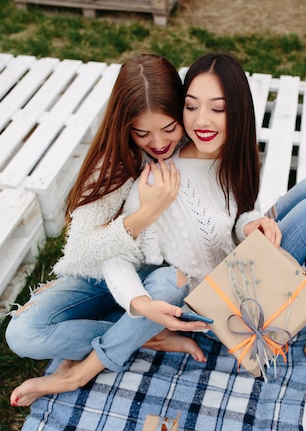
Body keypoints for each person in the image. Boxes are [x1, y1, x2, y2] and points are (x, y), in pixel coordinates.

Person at [9, 52, 306, 405]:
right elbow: (104, 255)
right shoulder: (151, 181)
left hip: (235, 269)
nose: (160, 142)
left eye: (170, 127)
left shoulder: (216, 151)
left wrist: (250, 224)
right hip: (216, 298)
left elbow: (231, 214)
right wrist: (144, 233)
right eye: (193, 107)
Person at [7, 54, 209, 407]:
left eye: (169, 128)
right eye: (142, 132)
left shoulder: (194, 152)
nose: (159, 142)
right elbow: (81, 253)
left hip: (162, 272)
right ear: (124, 126)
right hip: (104, 269)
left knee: (168, 283)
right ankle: (148, 336)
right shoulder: (114, 164)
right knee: (23, 334)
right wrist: (146, 213)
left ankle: (82, 369)